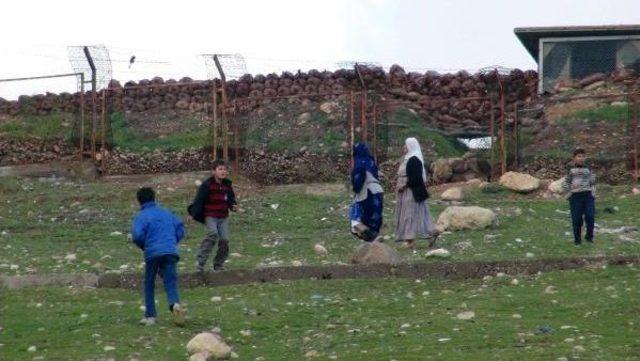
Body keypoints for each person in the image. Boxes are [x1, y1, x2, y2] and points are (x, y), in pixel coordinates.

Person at [131, 187, 186, 327]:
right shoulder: (167, 213)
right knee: (170, 281)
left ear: (139, 201)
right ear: (154, 198)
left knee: (149, 283)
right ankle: (175, 304)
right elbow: (180, 228)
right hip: (170, 251)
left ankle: (150, 316)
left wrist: (145, 245)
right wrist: (172, 242)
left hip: (152, 253)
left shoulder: (141, 216)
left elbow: (137, 236)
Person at [189, 160, 239, 272]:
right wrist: (193, 214)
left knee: (225, 240)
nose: (223, 171)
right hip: (210, 215)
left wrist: (233, 206)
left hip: (223, 216)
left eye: (225, 169)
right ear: (214, 171)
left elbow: (231, 200)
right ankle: (200, 263)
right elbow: (198, 201)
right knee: (212, 234)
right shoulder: (207, 185)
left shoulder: (227, 184)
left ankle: (218, 265)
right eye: (220, 169)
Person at [394, 137, 438, 250]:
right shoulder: (407, 158)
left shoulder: (414, 159)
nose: (404, 147)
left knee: (409, 215)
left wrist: (404, 186)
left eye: (405, 145)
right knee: (420, 213)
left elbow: (416, 177)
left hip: (411, 191)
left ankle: (410, 241)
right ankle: (430, 234)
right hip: (407, 191)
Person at [349, 142, 384, 242]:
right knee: (373, 217)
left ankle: (373, 237)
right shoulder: (371, 161)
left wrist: (355, 188)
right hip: (378, 190)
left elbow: (358, 177)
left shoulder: (360, 161)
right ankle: (372, 239)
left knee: (356, 219)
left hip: (367, 191)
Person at [562, 148, 596, 245]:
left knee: (590, 216)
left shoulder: (589, 168)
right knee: (577, 219)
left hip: (588, 196)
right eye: (579, 156)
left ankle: (589, 237)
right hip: (575, 197)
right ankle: (577, 241)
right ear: (574, 158)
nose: (581, 158)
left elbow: (593, 182)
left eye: (583, 156)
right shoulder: (570, 169)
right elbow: (566, 183)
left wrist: (593, 193)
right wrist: (569, 194)